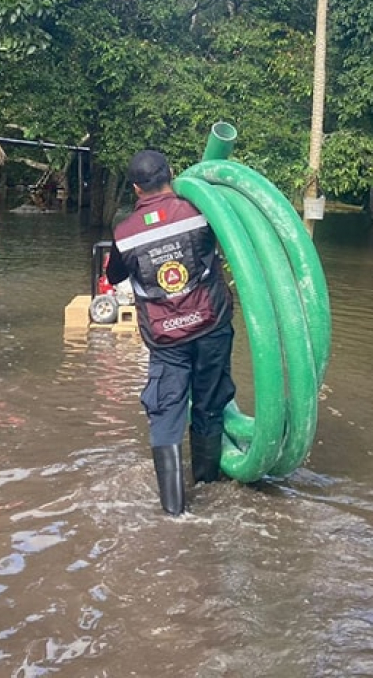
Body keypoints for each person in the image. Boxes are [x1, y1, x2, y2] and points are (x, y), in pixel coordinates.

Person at [104, 149, 236, 515]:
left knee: (166, 412)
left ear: (134, 187)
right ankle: (208, 489)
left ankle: (173, 512)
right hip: (211, 327)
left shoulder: (125, 232)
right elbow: (231, 246)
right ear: (172, 174)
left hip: (166, 339)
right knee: (209, 407)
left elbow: (114, 276)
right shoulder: (202, 213)